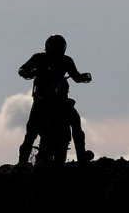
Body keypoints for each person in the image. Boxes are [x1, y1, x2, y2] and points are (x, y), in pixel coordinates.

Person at [18, 34, 94, 164]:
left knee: (75, 120)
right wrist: (28, 72)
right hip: (42, 101)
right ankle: (23, 162)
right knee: (31, 132)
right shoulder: (39, 58)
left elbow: (75, 76)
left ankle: (81, 155)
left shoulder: (66, 61)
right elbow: (23, 69)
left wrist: (83, 77)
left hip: (60, 100)